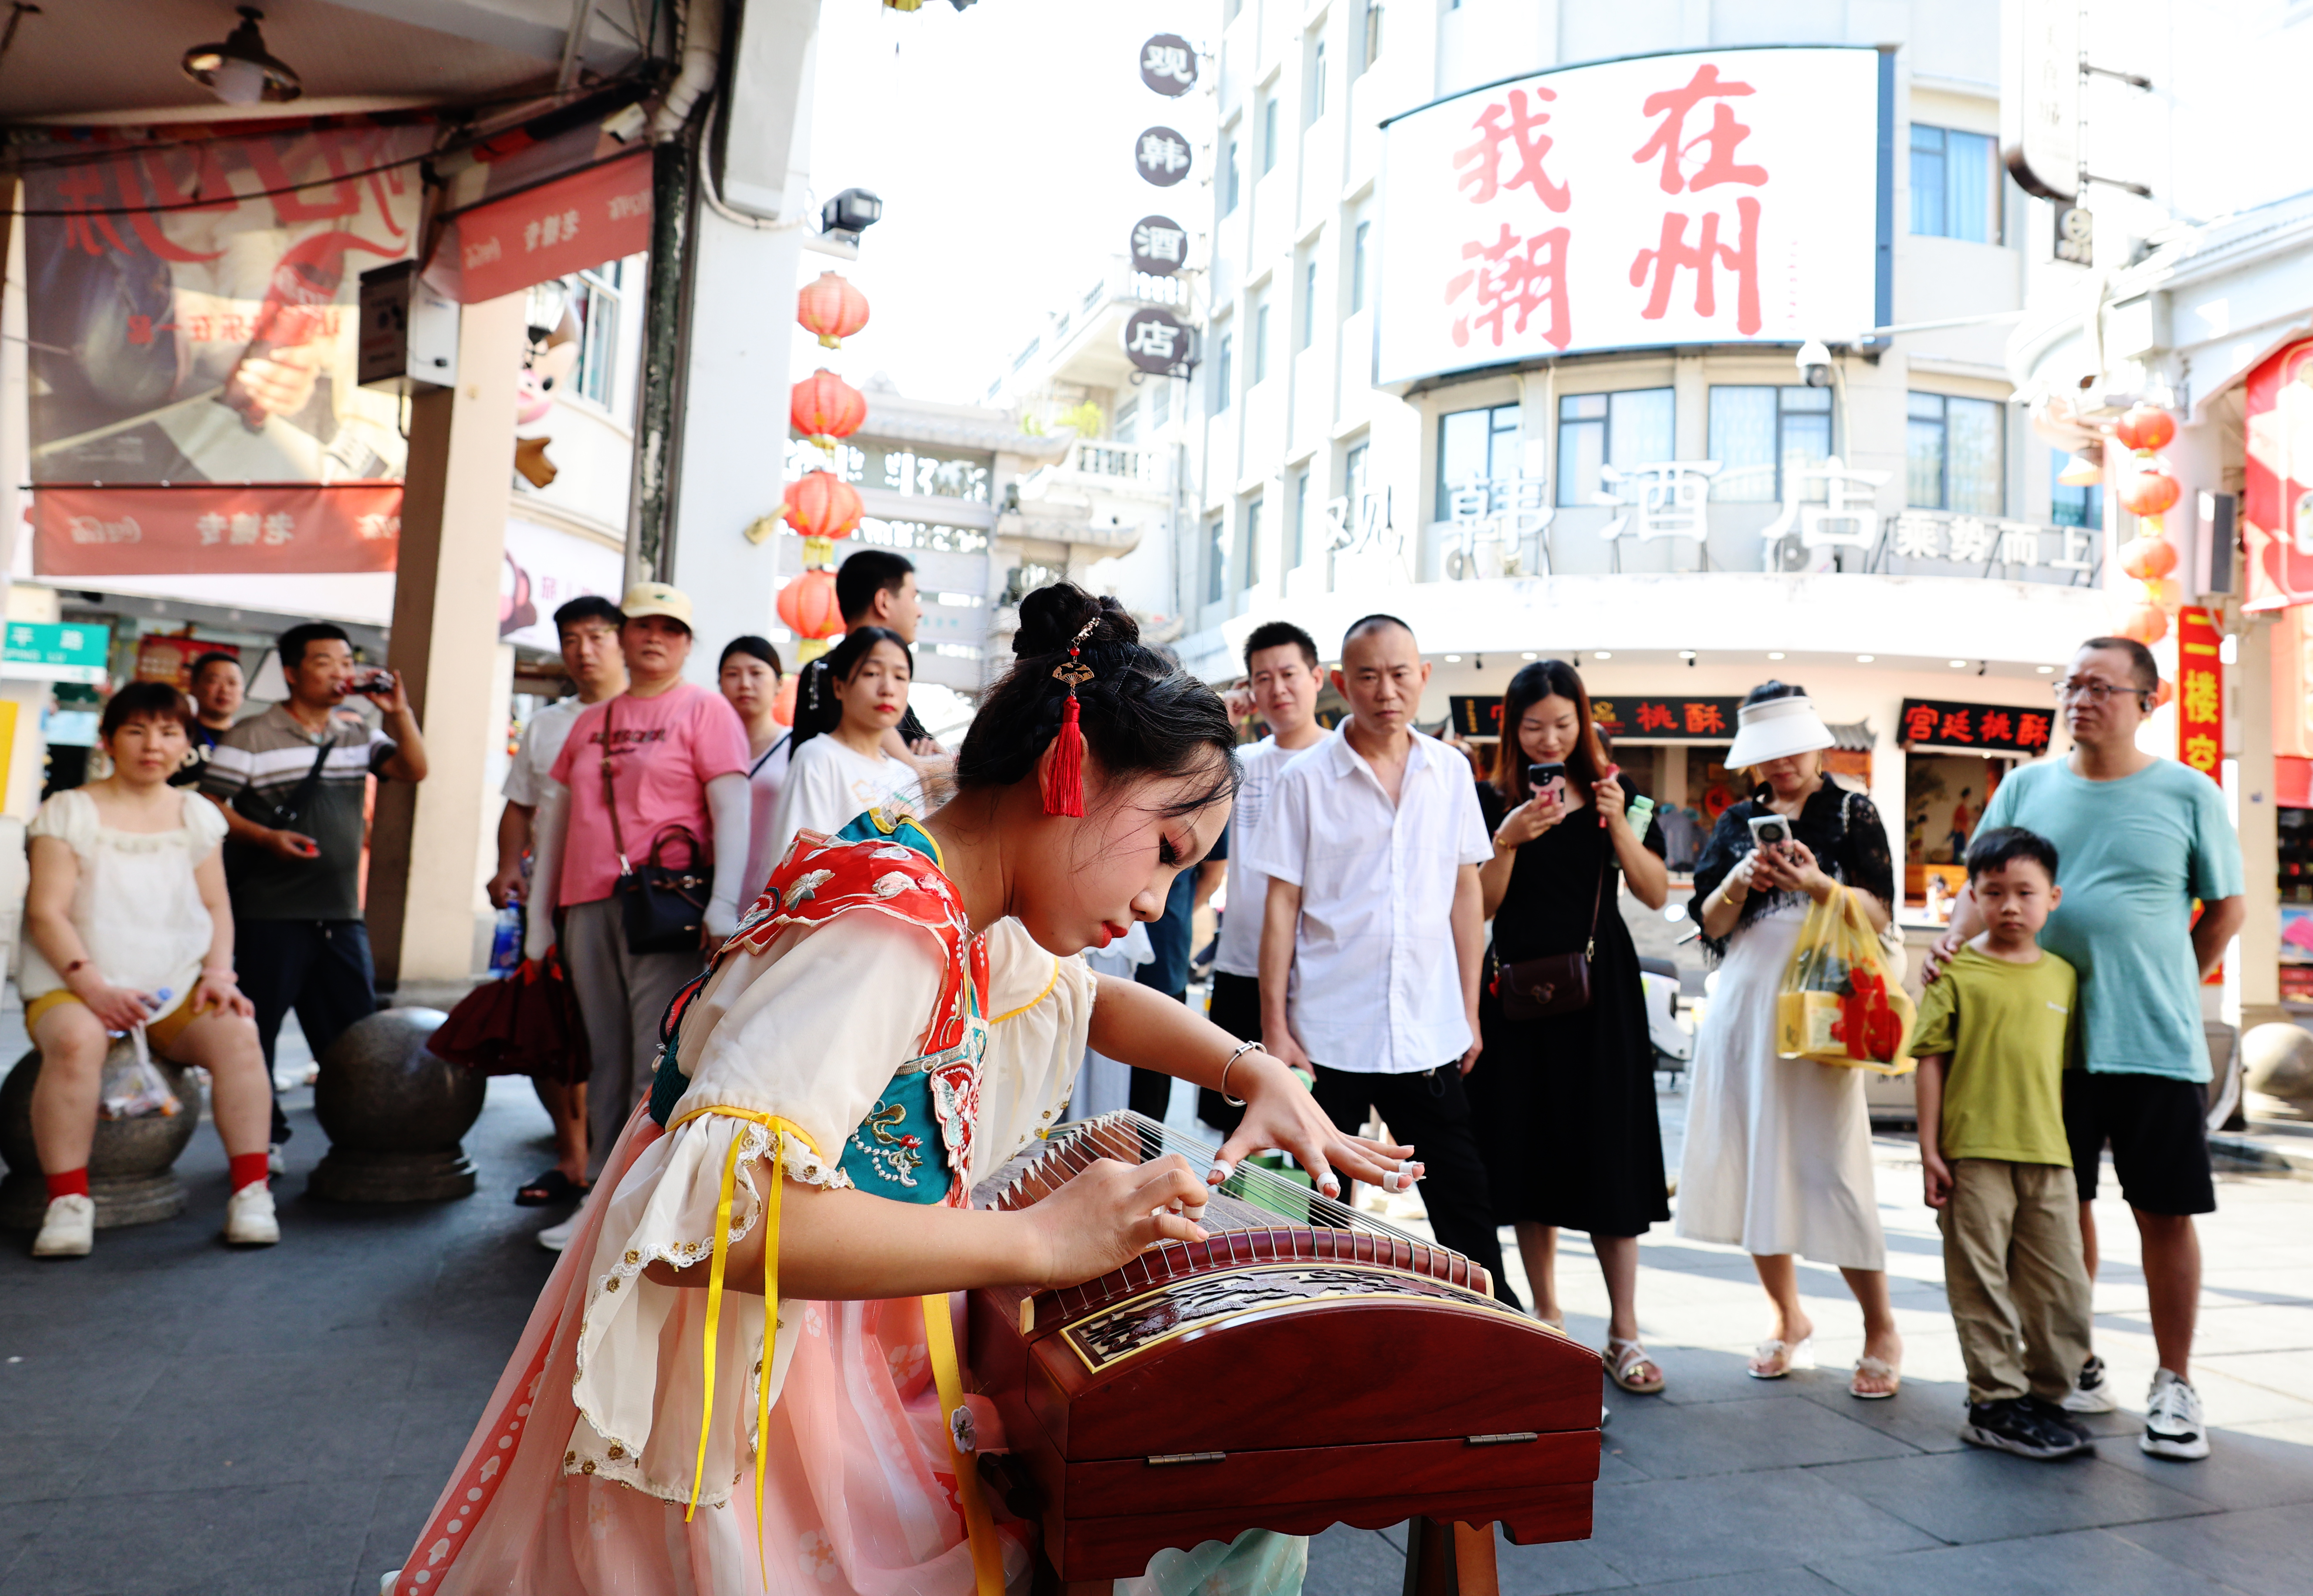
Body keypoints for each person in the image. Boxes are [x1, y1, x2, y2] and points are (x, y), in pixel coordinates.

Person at [385, 583, 1407, 1596]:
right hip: (775, 1394)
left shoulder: (937, 886)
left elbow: (1084, 999)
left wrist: (1252, 1068)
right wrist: (1041, 1240)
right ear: (1070, 769)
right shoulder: (893, 929)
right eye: (1166, 850)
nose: (1154, 901)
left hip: (829, 1345)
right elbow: (722, 1218)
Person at [1928, 636, 2245, 1459]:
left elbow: (2226, 910)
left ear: (2151, 698)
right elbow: (1979, 887)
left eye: (2102, 687)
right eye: (2072, 684)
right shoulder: (2027, 787)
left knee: (2166, 1213)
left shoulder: (2189, 792)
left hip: (2152, 1041)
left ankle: (2174, 1382)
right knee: (2059, 1214)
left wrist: (2173, 976)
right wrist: (1951, 947)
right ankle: (2073, 1365)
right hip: (2039, 1050)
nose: (2082, 699)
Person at [1248, 613, 1516, 1303]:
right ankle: (1312, 1323)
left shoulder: (1451, 770)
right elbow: (1281, 906)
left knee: (1463, 1200)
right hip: (1326, 1030)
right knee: (1320, 1209)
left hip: (1426, 1027)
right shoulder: (1305, 778)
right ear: (1340, 683)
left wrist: (1468, 1010)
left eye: (1399, 674)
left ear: (1423, 678)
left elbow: (1465, 895)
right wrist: (1275, 1030)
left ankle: (1505, 1336)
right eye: (1367, 676)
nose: (1385, 691)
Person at [1677, 682, 1904, 1398]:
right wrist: (1744, 878)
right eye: (1769, 756)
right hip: (1746, 1007)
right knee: (1754, 1162)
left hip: (1824, 1012)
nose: (1783, 767)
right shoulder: (1737, 820)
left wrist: (1814, 883)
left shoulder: (1850, 809)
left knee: (1833, 1167)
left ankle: (1880, 1326)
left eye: (1792, 750)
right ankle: (1788, 1318)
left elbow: (1879, 908)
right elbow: (1710, 922)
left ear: (1816, 741)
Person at [523, 582, 754, 1246]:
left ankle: (634, 1201)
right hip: (587, 902)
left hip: (664, 904)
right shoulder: (588, 723)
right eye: (643, 626)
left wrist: (723, 904)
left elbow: (730, 813)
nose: (655, 638)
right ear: (623, 635)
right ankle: (598, 1193)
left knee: (655, 1054)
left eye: (671, 629)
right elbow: (556, 823)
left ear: (686, 642)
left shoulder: (705, 710)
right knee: (603, 1051)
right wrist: (540, 920)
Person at [1469, 660, 1672, 1391]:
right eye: (1534, 727)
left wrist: (1616, 823)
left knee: (1610, 1151)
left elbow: (1652, 891)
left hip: (1601, 990)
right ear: (1512, 730)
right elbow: (1484, 905)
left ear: (1584, 721)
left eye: (1563, 723)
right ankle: (1548, 1318)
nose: (1550, 739)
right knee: (1529, 1156)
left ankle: (1625, 1331)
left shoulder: (1625, 792)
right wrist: (1510, 838)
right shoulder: (1490, 797)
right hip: (1516, 991)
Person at [24, 681, 278, 1256]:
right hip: (72, 982)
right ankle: (67, 1203)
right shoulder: (69, 810)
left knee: (239, 1034)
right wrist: (93, 987)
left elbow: (216, 905)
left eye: (169, 732)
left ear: (186, 743)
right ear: (108, 739)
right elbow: (46, 912)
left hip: (174, 981)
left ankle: (252, 1192)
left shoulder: (196, 814)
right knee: (76, 1040)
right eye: (136, 730)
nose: (152, 745)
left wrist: (220, 974)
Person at [200, 622, 428, 1156]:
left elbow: (413, 768)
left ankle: (357, 1138)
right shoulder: (252, 734)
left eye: (346, 661)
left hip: (341, 913)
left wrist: (398, 711)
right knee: (258, 1034)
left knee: (354, 1033)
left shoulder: (355, 731)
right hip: (267, 912)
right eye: (325, 661)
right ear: (291, 673)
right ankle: (265, 1138)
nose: (341, 672)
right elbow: (208, 806)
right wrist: (266, 836)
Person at [1913, 826, 2095, 1460]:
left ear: (2053, 896)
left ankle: (2043, 1397)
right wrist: (1929, 1148)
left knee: (2061, 1284)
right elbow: (1930, 1058)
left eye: (2025, 892)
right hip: (1972, 1152)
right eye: (1994, 892)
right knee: (1978, 1280)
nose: (2010, 906)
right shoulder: (1953, 969)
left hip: (2048, 1154)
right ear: (1973, 896)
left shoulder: (2066, 977)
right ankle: (1993, 1402)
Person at [486, 594, 629, 1206]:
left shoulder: (658, 715)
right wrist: (506, 869)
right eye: (571, 638)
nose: (584, 649)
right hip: (550, 900)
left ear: (622, 641)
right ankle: (570, 1159)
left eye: (597, 636)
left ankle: (614, 1162)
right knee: (550, 1027)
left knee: (615, 1034)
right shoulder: (548, 724)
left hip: (624, 903)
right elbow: (519, 807)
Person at [1199, 621, 1330, 1134]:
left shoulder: (1340, 764)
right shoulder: (1239, 765)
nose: (1277, 689)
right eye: (1262, 678)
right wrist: (1222, 725)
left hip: (1319, 972)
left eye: (1289, 674)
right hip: (1241, 965)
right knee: (1233, 1124)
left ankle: (1321, 1221)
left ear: (1317, 677)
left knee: (1321, 1126)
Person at [764, 625, 922, 867]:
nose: (888, 689)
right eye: (871, 674)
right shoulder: (818, 758)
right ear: (839, 686)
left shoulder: (906, 775)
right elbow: (795, 863)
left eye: (900, 677)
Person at [832, 547, 945, 766]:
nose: (887, 689)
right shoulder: (832, 670)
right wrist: (924, 766)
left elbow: (931, 753)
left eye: (900, 677)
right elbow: (917, 772)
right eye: (913, 598)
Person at [716, 634, 791, 898]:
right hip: (711, 891)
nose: (745, 684)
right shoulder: (707, 748)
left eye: (757, 673)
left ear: (779, 683)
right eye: (733, 674)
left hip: (774, 891)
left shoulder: (796, 747)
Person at [168, 651, 244, 787]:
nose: (224, 690)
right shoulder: (174, 734)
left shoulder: (250, 740)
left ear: (242, 691)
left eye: (232, 683)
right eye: (214, 681)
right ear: (193, 687)